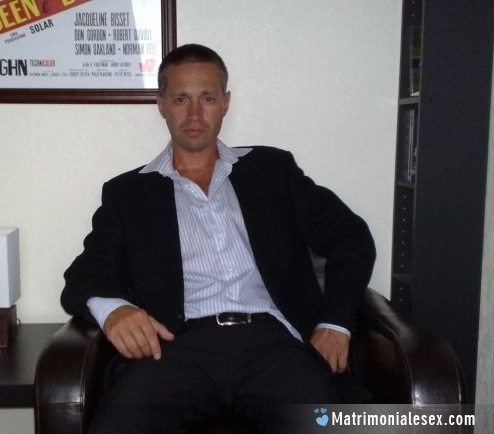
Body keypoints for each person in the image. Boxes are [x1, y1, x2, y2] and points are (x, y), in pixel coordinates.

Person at [61, 43, 376, 433]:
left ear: (226, 102)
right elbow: (85, 274)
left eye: (207, 98)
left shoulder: (271, 171)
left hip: (274, 346)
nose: (194, 114)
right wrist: (114, 310)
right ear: (161, 105)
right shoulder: (129, 194)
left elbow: (351, 237)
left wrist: (336, 323)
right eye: (181, 99)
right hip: (177, 349)